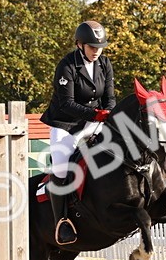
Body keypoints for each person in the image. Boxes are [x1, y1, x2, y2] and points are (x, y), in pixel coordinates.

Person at [39, 20, 116, 244]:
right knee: (62, 169)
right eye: (92, 47)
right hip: (66, 125)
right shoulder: (67, 65)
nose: (96, 51)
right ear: (79, 44)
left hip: (94, 122)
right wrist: (96, 115)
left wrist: (108, 114)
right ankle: (62, 221)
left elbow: (109, 98)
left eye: (99, 47)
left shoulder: (105, 64)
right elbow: (66, 104)